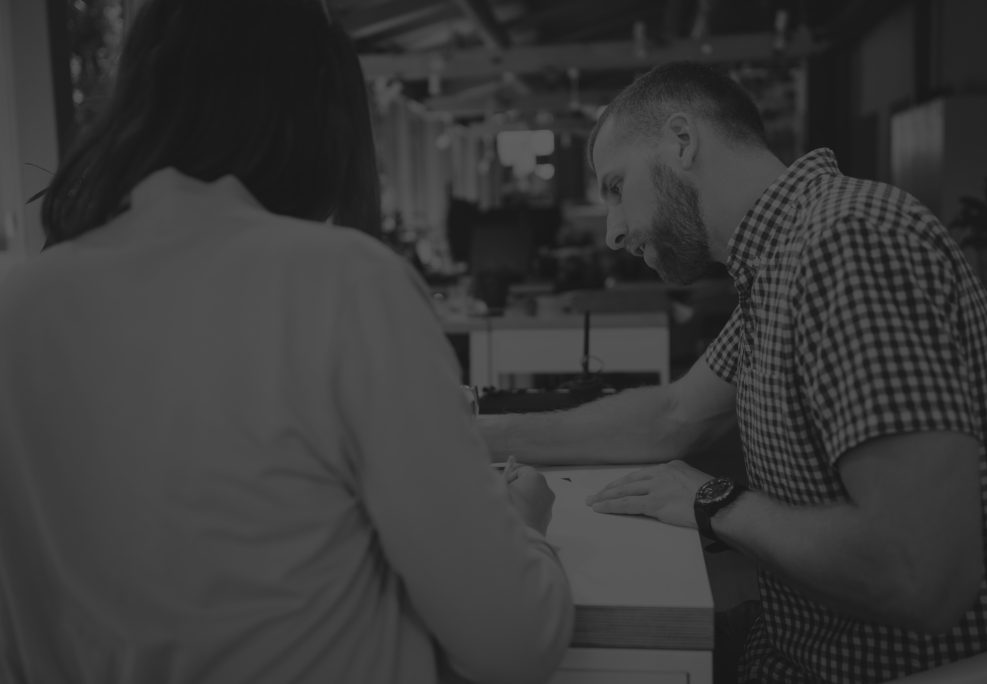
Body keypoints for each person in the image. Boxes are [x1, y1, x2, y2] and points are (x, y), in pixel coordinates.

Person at [0, 2, 573, 683]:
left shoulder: (21, 308)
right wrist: (526, 530)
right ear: (318, 109)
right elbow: (512, 643)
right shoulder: (346, 285)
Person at [478, 61, 987, 683]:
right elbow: (673, 415)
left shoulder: (846, 241)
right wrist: (472, 438)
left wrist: (717, 503)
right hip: (792, 641)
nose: (613, 231)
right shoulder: (782, 260)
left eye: (616, 187)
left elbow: (923, 575)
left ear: (682, 142)